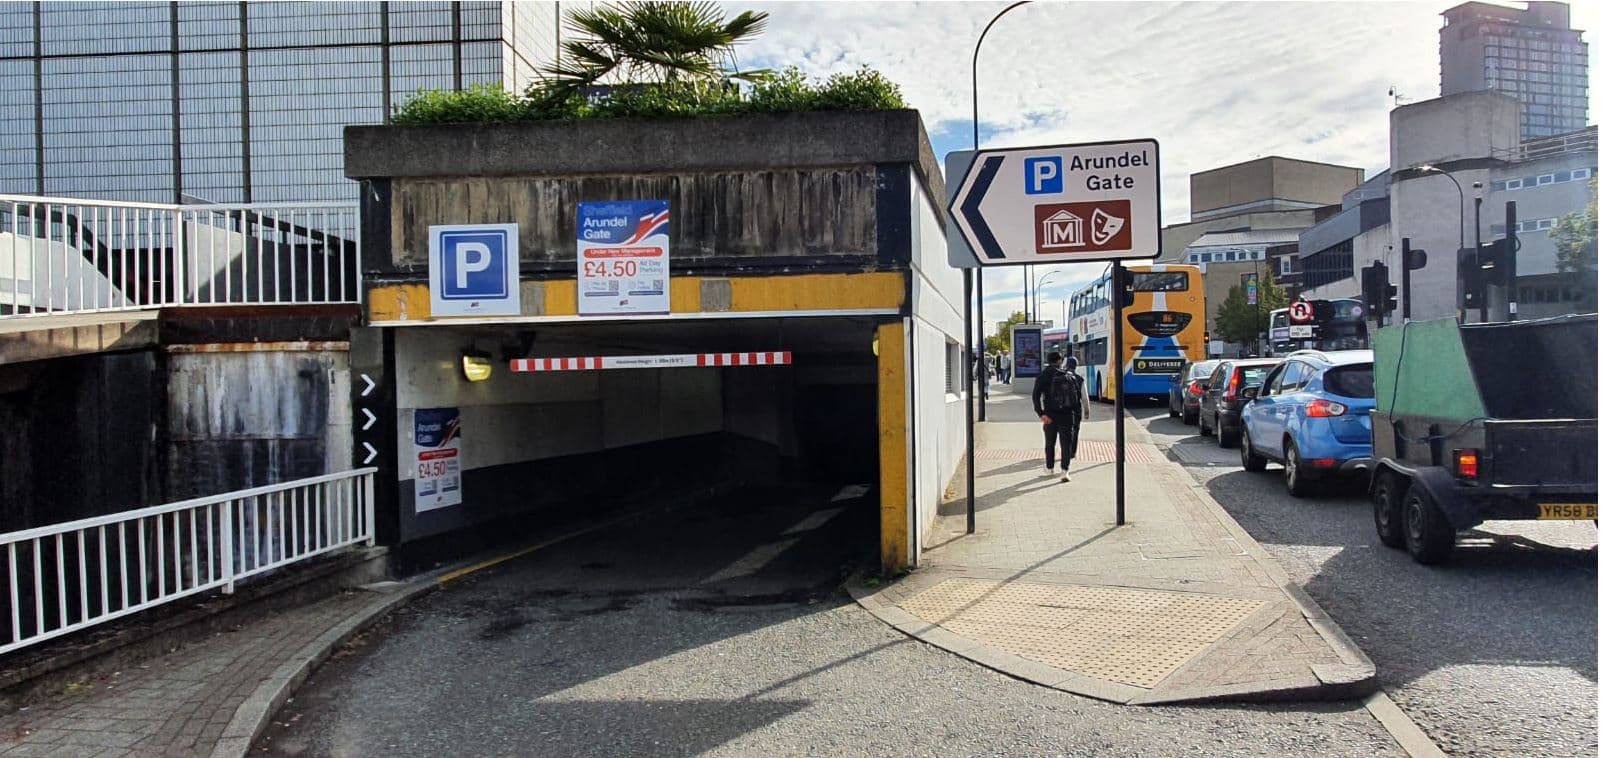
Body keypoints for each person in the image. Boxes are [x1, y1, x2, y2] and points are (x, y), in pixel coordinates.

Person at [1032, 352, 1088, 482]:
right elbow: (1076, 397)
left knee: (1050, 443)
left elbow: (1035, 396)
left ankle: (1050, 467)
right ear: (1059, 361)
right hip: (1067, 415)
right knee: (1066, 443)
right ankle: (1065, 471)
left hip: (1050, 415)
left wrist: (1041, 414)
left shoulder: (1043, 376)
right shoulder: (1068, 376)